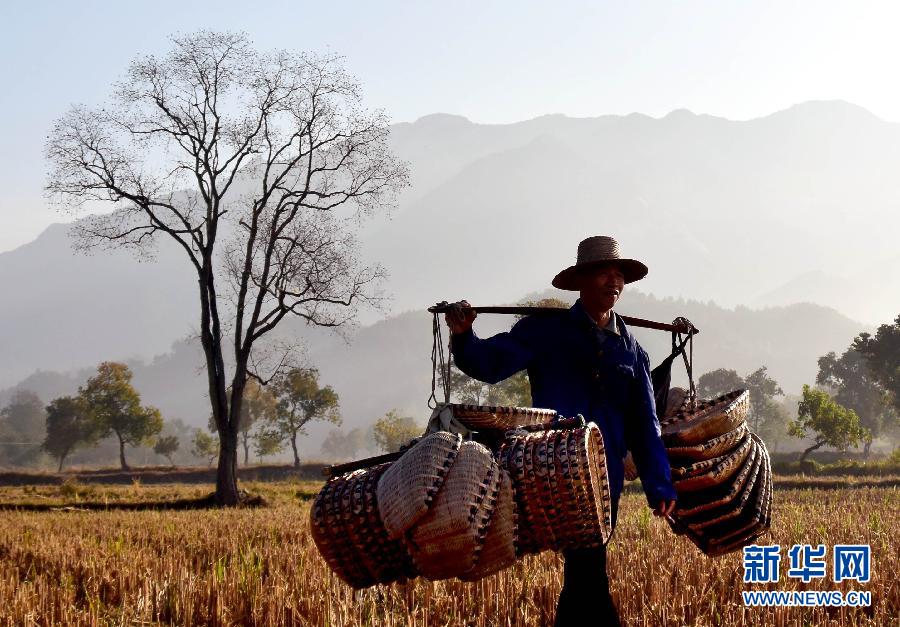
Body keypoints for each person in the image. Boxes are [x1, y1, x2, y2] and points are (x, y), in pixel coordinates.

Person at [445, 235, 677, 627]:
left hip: (607, 478)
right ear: (581, 281)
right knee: (588, 563)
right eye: (604, 273)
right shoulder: (545, 333)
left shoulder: (633, 353)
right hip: (556, 471)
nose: (613, 282)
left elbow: (645, 424)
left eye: (619, 275)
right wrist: (464, 336)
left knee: (587, 567)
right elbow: (491, 363)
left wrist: (660, 485)